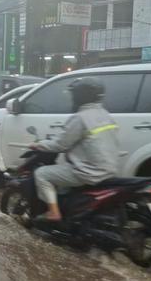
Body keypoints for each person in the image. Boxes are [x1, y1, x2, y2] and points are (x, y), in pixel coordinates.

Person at [30, 77, 119, 222]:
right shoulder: (105, 115)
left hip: (88, 172)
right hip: (109, 169)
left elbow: (60, 145)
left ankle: (53, 213)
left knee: (41, 174)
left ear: (81, 96)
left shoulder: (81, 118)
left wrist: (38, 144)